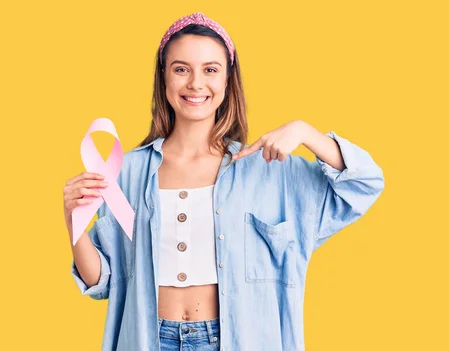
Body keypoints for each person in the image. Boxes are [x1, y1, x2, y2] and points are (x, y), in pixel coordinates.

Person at [63, 12, 384, 351]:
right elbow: (102, 282)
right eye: (181, 68)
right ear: (164, 77)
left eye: (210, 70)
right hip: (148, 339)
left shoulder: (269, 170)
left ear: (228, 80)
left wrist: (306, 132)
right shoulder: (126, 172)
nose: (195, 83)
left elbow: (364, 183)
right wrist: (74, 222)